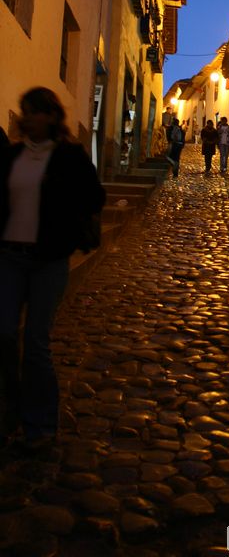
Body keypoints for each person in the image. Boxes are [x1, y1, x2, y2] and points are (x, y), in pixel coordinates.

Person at [0, 87, 105, 452]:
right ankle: (10, 408)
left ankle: (41, 424)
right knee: (3, 336)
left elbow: (94, 197)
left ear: (50, 115)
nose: (25, 117)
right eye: (23, 111)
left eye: (32, 112)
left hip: (48, 261)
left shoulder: (70, 157)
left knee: (36, 344)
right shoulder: (12, 155)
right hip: (9, 258)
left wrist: (66, 231)